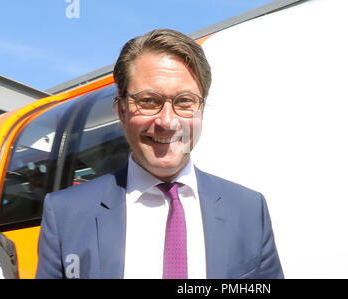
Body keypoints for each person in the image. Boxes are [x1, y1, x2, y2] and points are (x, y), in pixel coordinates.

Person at [36, 29, 283, 279]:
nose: (167, 121)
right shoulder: (65, 214)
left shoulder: (250, 210)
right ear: (121, 110)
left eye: (185, 101)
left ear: (201, 111)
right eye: (149, 101)